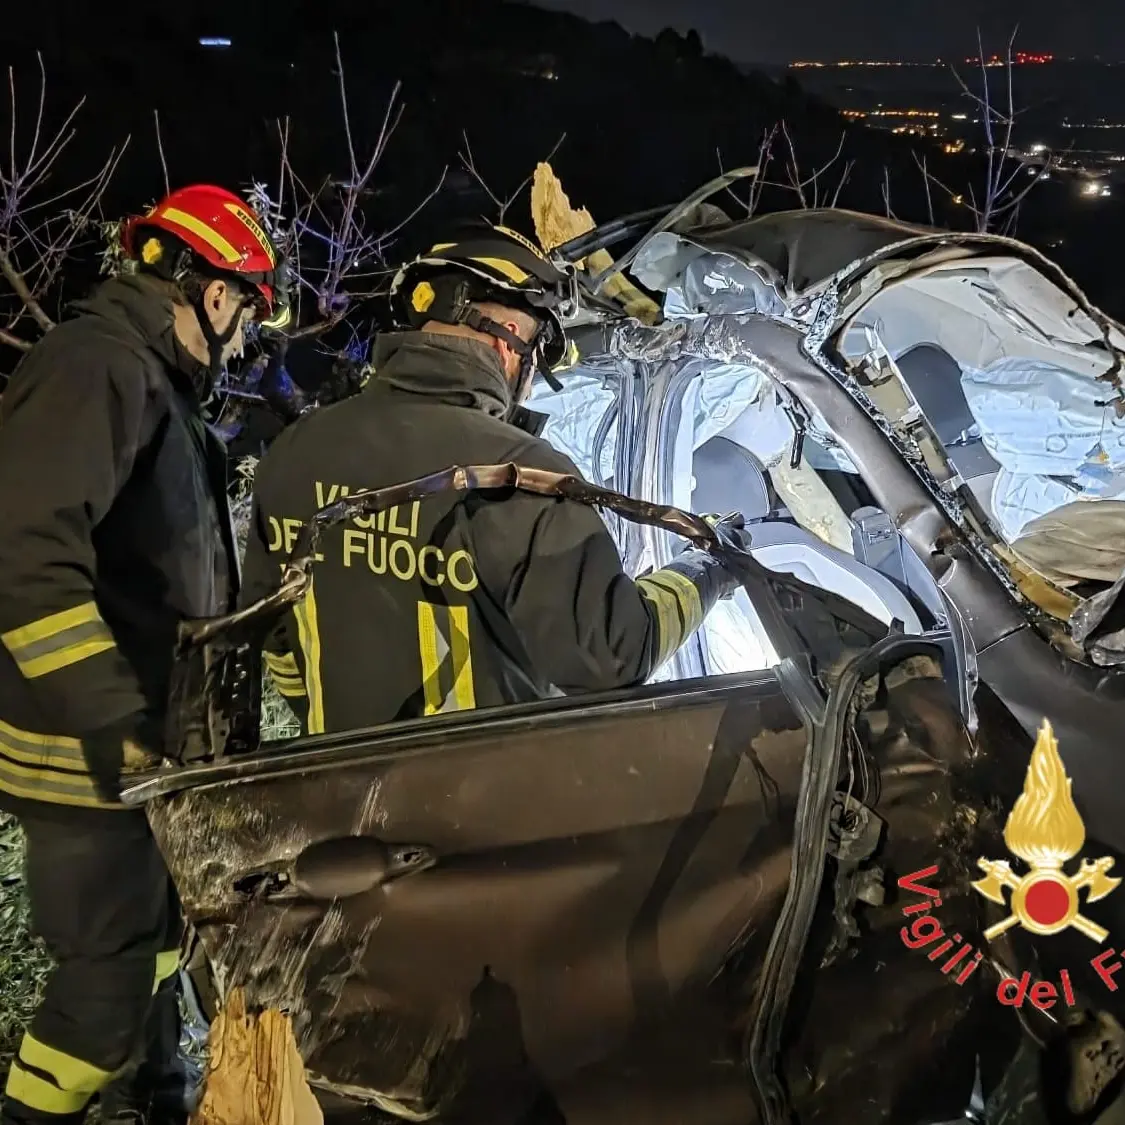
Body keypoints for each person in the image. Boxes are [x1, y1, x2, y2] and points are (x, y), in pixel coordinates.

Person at [0, 184, 288, 1125]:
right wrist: (113, 716)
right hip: (87, 761)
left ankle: (156, 1097)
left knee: (158, 945)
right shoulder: (95, 369)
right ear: (213, 292)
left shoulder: (149, 381)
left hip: (142, 755)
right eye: (246, 309)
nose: (244, 338)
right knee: (102, 1001)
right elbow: (26, 556)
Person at [240, 224, 738, 735]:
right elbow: (612, 654)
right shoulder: (525, 473)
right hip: (480, 805)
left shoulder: (296, 450)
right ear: (511, 344)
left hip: (334, 795)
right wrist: (710, 566)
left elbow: (274, 639)